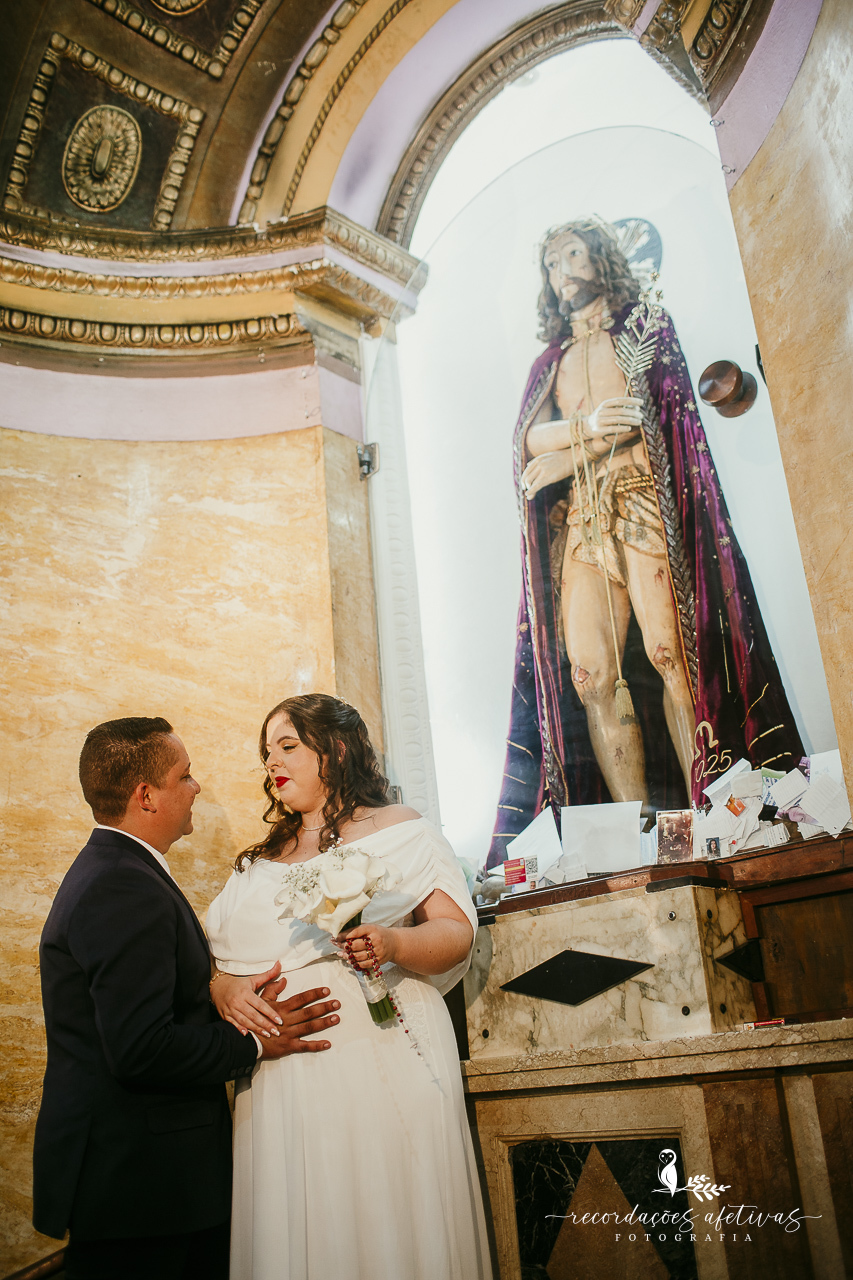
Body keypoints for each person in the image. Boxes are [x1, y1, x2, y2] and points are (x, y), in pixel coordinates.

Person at [487, 218, 804, 866]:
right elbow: (524, 440)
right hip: (583, 519)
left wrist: (571, 448)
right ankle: (635, 833)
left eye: (572, 253)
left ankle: (706, 802)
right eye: (550, 262)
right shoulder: (547, 362)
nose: (562, 268)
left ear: (599, 257)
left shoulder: (643, 327)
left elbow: (650, 412)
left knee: (667, 653)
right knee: (588, 675)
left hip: (640, 495)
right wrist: (577, 437)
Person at [33, 716, 341, 1280]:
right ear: (146, 795)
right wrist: (253, 1043)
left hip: (138, 1181)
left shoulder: (116, 871)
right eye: (186, 775)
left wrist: (221, 986)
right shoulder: (121, 886)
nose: (198, 786)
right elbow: (141, 1048)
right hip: (144, 1188)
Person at [206, 694, 493, 1280]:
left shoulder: (404, 830)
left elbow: (455, 931)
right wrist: (221, 990)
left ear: (335, 749)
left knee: (383, 1204)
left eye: (288, 747)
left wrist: (394, 944)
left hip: (380, 1049)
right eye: (267, 753)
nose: (273, 764)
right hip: (282, 1068)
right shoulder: (259, 862)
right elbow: (213, 958)